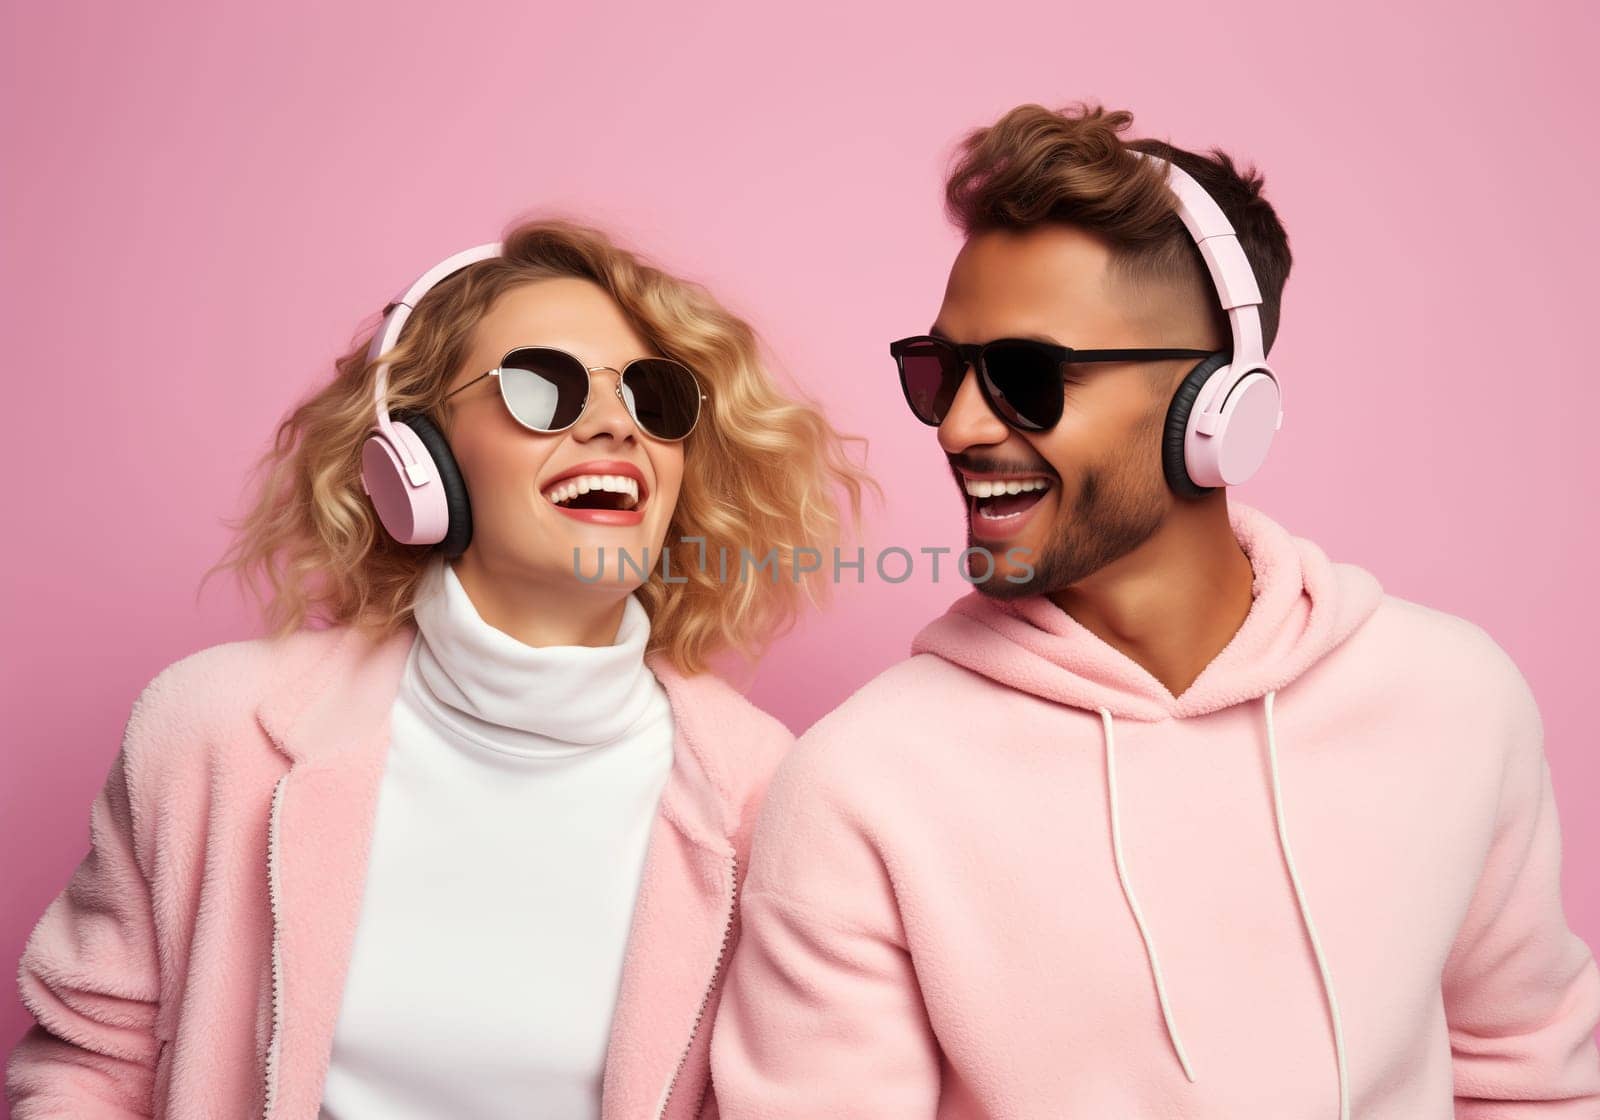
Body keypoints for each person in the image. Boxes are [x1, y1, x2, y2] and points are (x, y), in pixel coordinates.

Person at [709, 102, 1600, 1117]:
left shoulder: (1455, 700)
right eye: (940, 371)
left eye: (1024, 376)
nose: (958, 424)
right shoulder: (858, 785)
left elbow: (1529, 1074)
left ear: (1219, 406)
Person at [5, 217, 868, 1119]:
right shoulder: (210, 732)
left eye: (655, 398)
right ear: (416, 457)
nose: (617, 424)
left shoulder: (767, 798)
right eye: (544, 388)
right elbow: (86, 1074)